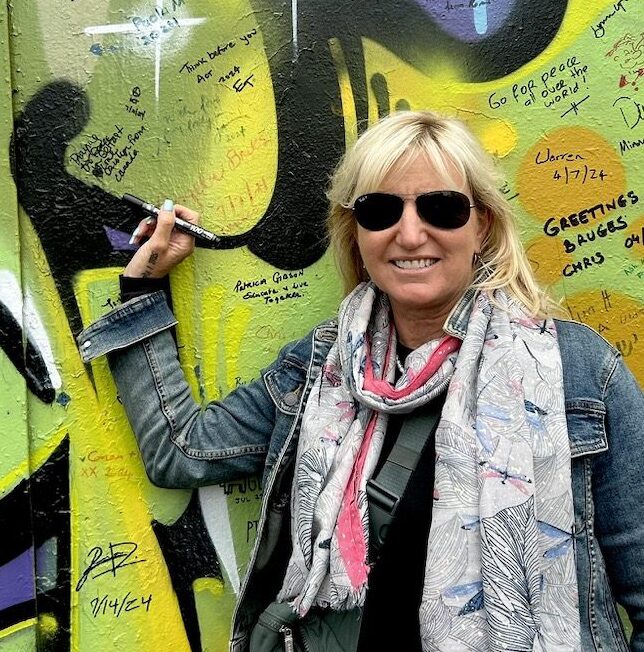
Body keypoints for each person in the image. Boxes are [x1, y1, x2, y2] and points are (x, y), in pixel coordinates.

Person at [78, 110, 644, 652]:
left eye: (442, 208)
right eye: (380, 210)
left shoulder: (577, 374)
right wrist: (144, 289)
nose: (410, 233)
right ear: (356, 233)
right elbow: (183, 451)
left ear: (482, 226)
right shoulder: (320, 369)